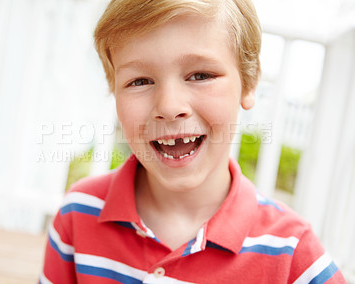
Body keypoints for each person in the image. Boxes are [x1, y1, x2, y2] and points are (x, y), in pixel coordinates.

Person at [40, 0, 347, 283]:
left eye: (200, 75)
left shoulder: (293, 253)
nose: (170, 106)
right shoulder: (79, 214)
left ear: (249, 81)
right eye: (140, 81)